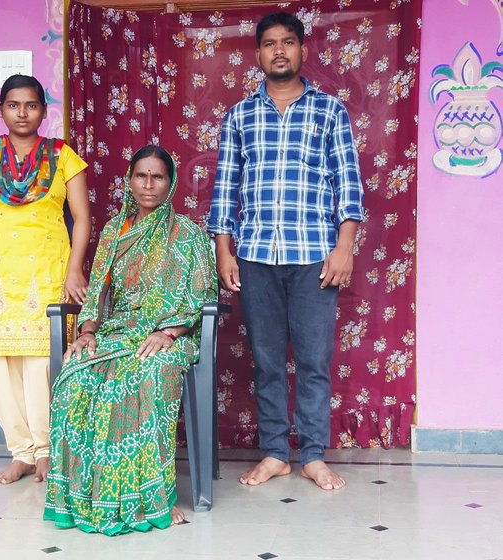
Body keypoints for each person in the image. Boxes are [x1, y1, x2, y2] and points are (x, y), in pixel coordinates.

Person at [207, 12, 364, 490]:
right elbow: (225, 188)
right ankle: (276, 451)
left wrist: (344, 247)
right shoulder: (239, 115)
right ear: (258, 54)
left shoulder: (330, 111)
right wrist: (224, 251)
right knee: (267, 361)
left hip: (315, 254)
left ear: (302, 52)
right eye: (270, 43)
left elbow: (348, 183)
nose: (279, 50)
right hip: (254, 256)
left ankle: (313, 454)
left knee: (314, 360)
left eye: (289, 42)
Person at [44, 145, 217, 535]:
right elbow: (96, 295)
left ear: (170, 184)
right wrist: (87, 332)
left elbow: (204, 297)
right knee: (75, 378)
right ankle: (83, 496)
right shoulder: (113, 232)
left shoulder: (188, 235)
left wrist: (169, 331)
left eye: (158, 177)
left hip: (172, 337)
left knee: (144, 374)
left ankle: (152, 497)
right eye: (142, 176)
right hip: (117, 333)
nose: (149, 185)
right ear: (130, 180)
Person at [0, 74, 91, 485]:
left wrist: (74, 269)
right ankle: (21, 452)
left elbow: (82, 217)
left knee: (40, 365)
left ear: (44, 112)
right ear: (0, 110)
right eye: (14, 105)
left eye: (31, 105)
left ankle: (45, 450)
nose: (22, 113)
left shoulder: (64, 156)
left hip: (46, 274)